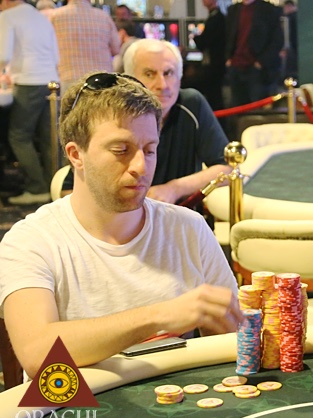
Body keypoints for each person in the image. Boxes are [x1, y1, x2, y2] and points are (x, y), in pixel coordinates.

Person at [0, 72, 244, 378]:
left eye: (150, 150)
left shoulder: (189, 228)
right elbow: (37, 352)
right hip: (77, 406)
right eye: (121, 150)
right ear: (76, 155)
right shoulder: (31, 241)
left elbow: (232, 342)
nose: (141, 167)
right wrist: (160, 315)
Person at [62, 39, 232, 204]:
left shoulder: (191, 104)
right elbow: (69, 189)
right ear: (129, 80)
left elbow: (229, 169)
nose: (162, 85)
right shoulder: (111, 113)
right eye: (149, 74)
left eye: (168, 73)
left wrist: (174, 188)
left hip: (178, 215)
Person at [0, 0, 60, 205]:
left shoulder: (8, 16)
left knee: (19, 136)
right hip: (51, 81)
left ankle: (36, 188)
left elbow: (3, 55)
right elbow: (56, 57)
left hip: (28, 81)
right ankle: (53, 186)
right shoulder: (41, 18)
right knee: (48, 138)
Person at [51, 0, 121, 91]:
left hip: (68, 77)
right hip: (102, 79)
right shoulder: (104, 17)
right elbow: (116, 49)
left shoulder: (55, 16)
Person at [225, 0, 284, 107]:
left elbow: (277, 40)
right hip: (236, 66)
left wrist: (261, 62)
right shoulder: (233, 10)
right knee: (237, 107)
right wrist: (229, 58)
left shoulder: (268, 10)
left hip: (256, 69)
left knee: (257, 107)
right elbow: (228, 36)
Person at [194, 0, 227, 111]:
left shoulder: (216, 18)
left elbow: (204, 42)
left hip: (215, 65)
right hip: (214, 64)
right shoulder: (214, 17)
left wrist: (196, 38)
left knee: (214, 97)